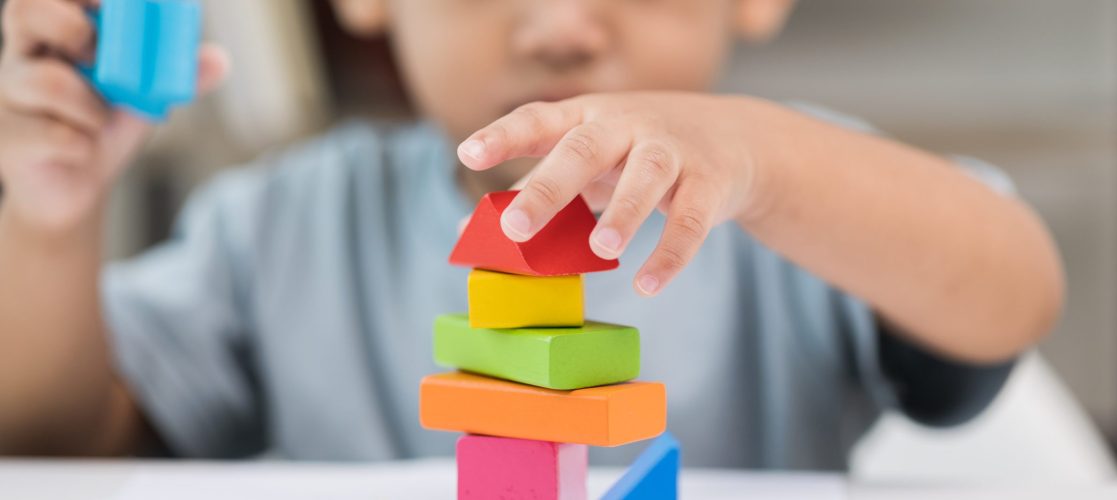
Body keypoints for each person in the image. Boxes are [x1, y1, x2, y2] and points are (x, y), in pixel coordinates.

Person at [0, 0, 1063, 468]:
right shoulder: (282, 220)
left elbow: (1014, 291)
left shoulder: (810, 191)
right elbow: (56, 443)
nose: (559, 22)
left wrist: (765, 163)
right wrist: (53, 219)